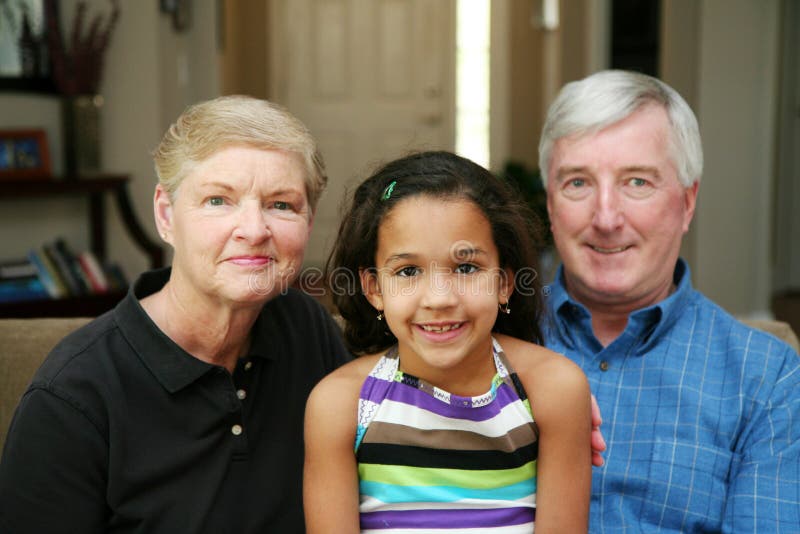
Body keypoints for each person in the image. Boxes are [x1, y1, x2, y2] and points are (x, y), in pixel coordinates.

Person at [0, 95, 351, 533]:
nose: (255, 230)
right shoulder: (73, 396)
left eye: (281, 205)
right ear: (166, 216)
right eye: (218, 200)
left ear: (309, 221)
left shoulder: (307, 329)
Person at [539, 69, 800, 532]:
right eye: (577, 182)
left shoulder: (767, 378)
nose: (606, 217)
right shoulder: (480, 342)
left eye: (637, 182)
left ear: (688, 201)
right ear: (550, 206)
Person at [304, 151, 592, 533]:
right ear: (374, 288)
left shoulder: (553, 390)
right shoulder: (341, 405)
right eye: (408, 271)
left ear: (504, 282)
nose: (439, 298)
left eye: (466, 268)